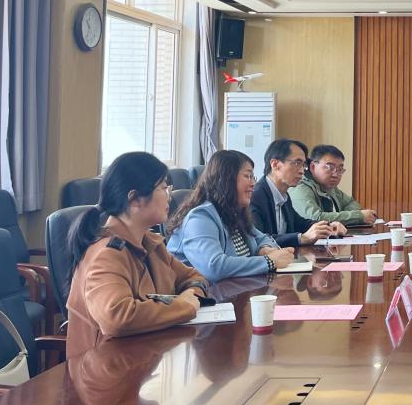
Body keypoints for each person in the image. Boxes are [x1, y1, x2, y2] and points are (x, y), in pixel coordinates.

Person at [65, 152, 209, 358]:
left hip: (145, 357)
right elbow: (117, 317)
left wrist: (191, 295)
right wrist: (184, 306)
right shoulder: (107, 254)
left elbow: (195, 277)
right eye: (163, 188)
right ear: (134, 199)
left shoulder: (150, 243)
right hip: (107, 369)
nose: (169, 196)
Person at [166, 150, 294, 283]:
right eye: (247, 176)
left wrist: (264, 249)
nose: (253, 184)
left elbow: (262, 238)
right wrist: (269, 261)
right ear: (226, 179)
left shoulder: (233, 213)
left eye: (253, 177)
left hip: (235, 290)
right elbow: (214, 267)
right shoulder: (200, 218)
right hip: (202, 294)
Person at [250, 138, 346, 247]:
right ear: (275, 164)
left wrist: (328, 227)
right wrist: (301, 238)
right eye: (297, 163)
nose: (302, 171)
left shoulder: (283, 194)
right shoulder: (255, 197)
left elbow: (298, 223)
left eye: (303, 165)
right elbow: (258, 240)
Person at [290, 145, 377, 226]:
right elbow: (314, 219)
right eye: (330, 167)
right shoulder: (299, 187)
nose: (335, 175)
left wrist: (340, 217)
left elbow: (352, 203)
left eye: (340, 169)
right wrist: (357, 216)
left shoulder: (329, 187)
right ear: (312, 167)